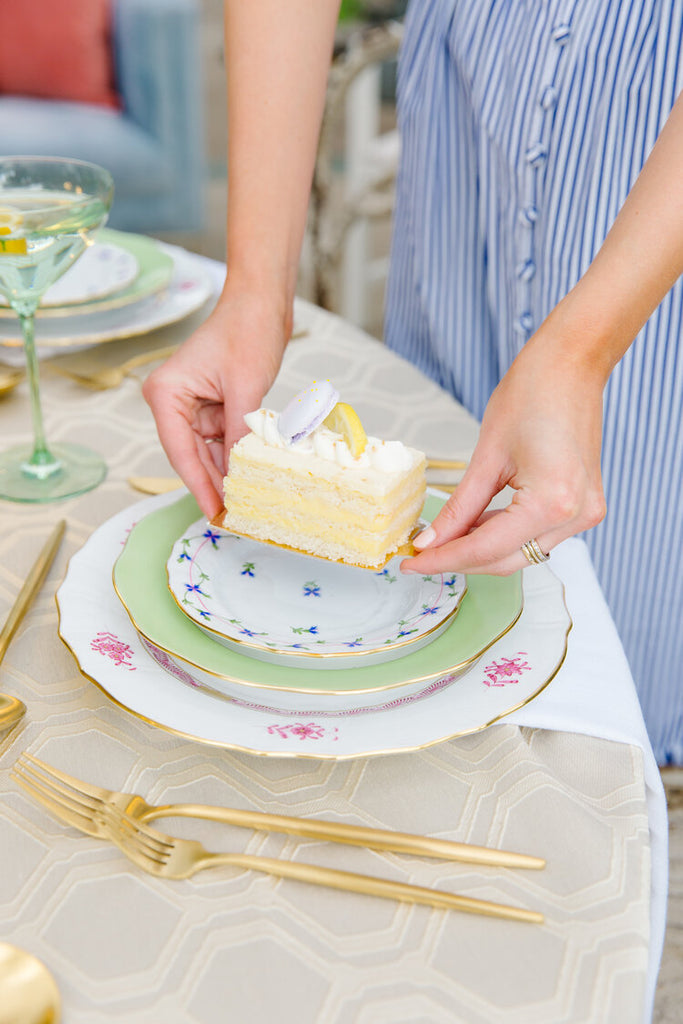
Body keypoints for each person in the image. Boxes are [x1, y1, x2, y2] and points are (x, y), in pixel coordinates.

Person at [143, 1, 683, 765]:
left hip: (662, 174)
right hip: (474, 85)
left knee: (625, 620)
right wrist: (255, 292)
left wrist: (579, 353)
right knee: (424, 625)